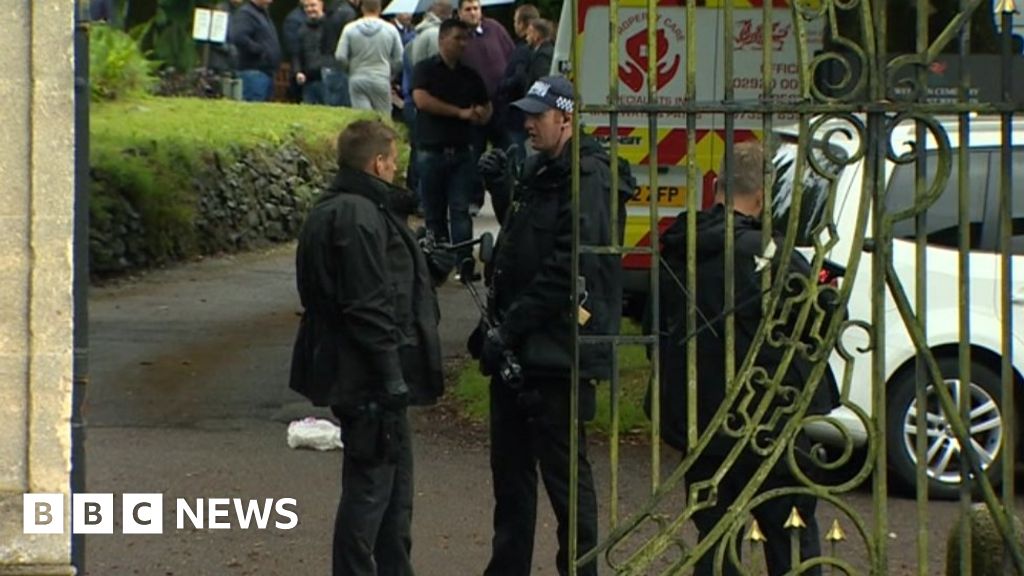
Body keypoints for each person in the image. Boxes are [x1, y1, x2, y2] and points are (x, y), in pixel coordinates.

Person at [649, 141, 839, 576]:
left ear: (715, 184)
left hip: (703, 423)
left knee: (715, 542)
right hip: (766, 424)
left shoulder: (680, 251)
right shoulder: (773, 256)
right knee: (790, 538)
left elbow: (656, 333)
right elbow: (817, 326)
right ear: (762, 196)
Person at [473, 75, 632, 576]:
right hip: (521, 348)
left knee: (565, 479)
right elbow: (521, 243)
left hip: (558, 350)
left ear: (565, 118)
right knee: (511, 480)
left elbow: (568, 268)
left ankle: (581, 570)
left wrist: (510, 330)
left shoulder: (590, 178)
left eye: (537, 115)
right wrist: (502, 187)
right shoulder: (542, 170)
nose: (526, 123)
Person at [289, 119, 446, 576]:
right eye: (394, 161)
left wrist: (429, 272)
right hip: (367, 378)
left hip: (359, 372)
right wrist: (390, 372)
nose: (398, 169)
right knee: (371, 493)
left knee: (391, 494)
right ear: (378, 162)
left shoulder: (342, 210)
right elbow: (366, 302)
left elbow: (378, 289)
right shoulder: (358, 216)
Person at [412, 18, 491, 261]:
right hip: (431, 149)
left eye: (466, 39)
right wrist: (459, 112)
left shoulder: (470, 75)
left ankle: (463, 259)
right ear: (442, 39)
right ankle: (437, 258)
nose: (463, 44)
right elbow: (421, 100)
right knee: (433, 211)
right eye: (458, 38)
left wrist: (482, 115)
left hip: (461, 150)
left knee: (460, 210)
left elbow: (486, 105)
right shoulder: (425, 69)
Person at [457, 0, 514, 214]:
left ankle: (511, 192)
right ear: (460, 12)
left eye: (476, 8)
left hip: (500, 105)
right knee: (474, 154)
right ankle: (475, 198)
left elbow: (511, 55)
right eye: (468, 9)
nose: (473, 13)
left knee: (507, 149)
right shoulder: (458, 35)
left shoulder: (495, 29)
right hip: (474, 108)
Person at [336, 0, 404, 113]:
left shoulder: (349, 28)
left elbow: (340, 56)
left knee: (364, 119)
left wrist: (349, 69)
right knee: (383, 119)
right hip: (381, 78)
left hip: (357, 78)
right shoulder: (391, 30)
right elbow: (399, 59)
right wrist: (390, 73)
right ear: (380, 9)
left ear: (362, 8)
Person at [497, 4, 539, 150]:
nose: (514, 25)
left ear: (522, 23)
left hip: (516, 116)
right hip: (531, 113)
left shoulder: (522, 50)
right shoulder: (539, 48)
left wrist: (501, 86)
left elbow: (519, 78)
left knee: (515, 157)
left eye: (515, 21)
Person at [229, 0, 282, 102]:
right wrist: (260, 51)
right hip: (253, 72)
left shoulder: (262, 13)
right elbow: (239, 37)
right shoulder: (246, 13)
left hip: (266, 73)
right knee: (253, 109)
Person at [293, 0, 335, 104]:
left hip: (328, 79)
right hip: (308, 81)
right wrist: (298, 71)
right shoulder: (301, 29)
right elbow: (297, 53)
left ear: (321, 5)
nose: (310, 9)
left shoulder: (331, 25)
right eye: (306, 6)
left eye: (313, 5)